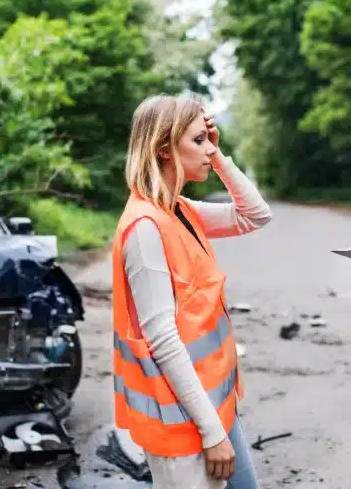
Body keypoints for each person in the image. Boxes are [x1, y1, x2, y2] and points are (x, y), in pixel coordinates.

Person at [110, 94, 272, 489]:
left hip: (214, 407)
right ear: (164, 148)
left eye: (209, 139)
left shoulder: (178, 209)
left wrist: (218, 158)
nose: (210, 147)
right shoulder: (145, 227)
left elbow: (255, 215)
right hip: (184, 426)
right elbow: (162, 338)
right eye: (199, 140)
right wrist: (212, 433)